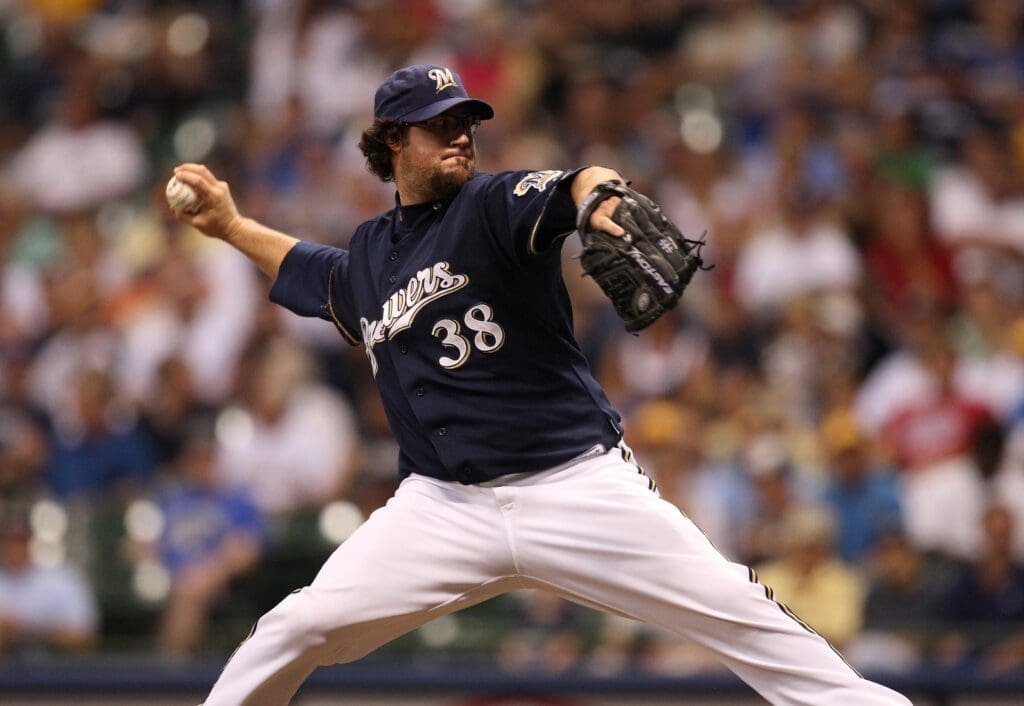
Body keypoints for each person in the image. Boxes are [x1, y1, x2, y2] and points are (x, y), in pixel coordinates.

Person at [171, 65, 910, 705]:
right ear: (393, 139)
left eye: (466, 120)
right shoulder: (368, 255)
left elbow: (569, 185)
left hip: (573, 486)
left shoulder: (492, 203)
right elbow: (313, 271)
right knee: (297, 626)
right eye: (437, 125)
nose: (459, 134)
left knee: (737, 609)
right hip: (442, 509)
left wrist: (600, 198)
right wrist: (233, 225)